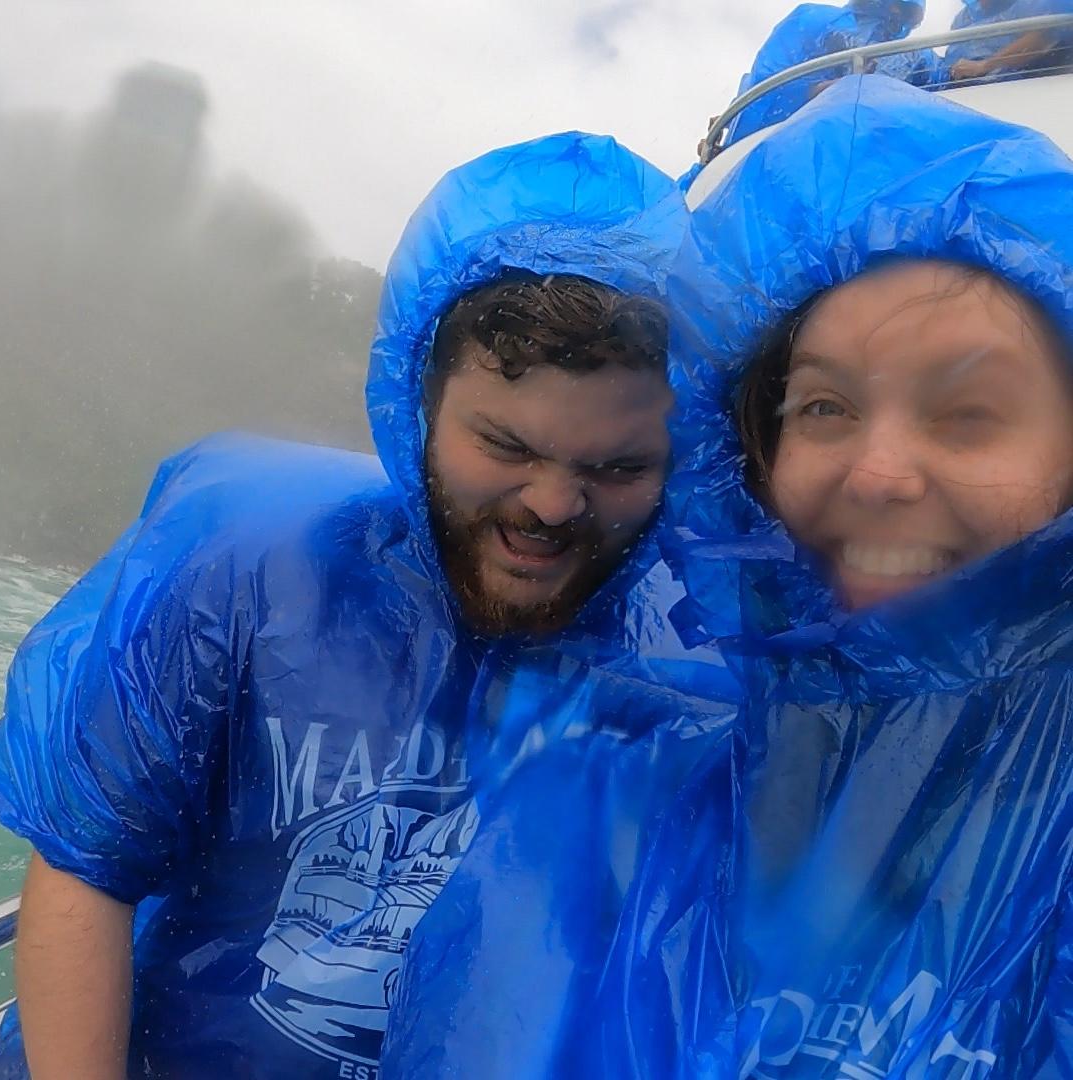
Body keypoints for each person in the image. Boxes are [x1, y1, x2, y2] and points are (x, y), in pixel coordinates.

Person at [380, 76, 1073, 1077]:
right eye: (825, 407)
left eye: (968, 414)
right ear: (746, 455)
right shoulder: (607, 807)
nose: (878, 473)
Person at [0, 131, 687, 1080]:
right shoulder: (248, 562)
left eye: (617, 467)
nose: (554, 506)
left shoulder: (687, 661)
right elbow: (87, 868)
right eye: (507, 446)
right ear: (420, 402)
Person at [725, 0, 925, 144]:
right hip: (791, 145)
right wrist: (823, 90)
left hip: (867, 155)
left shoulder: (913, 56)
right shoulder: (814, 21)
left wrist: (954, 73)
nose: (896, 13)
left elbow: (939, 86)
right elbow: (766, 91)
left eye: (904, 8)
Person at [946, 0, 1072, 82]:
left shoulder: (1028, 4)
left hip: (1029, 86)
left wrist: (984, 66)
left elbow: (1041, 38)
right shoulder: (964, 18)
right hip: (968, 92)